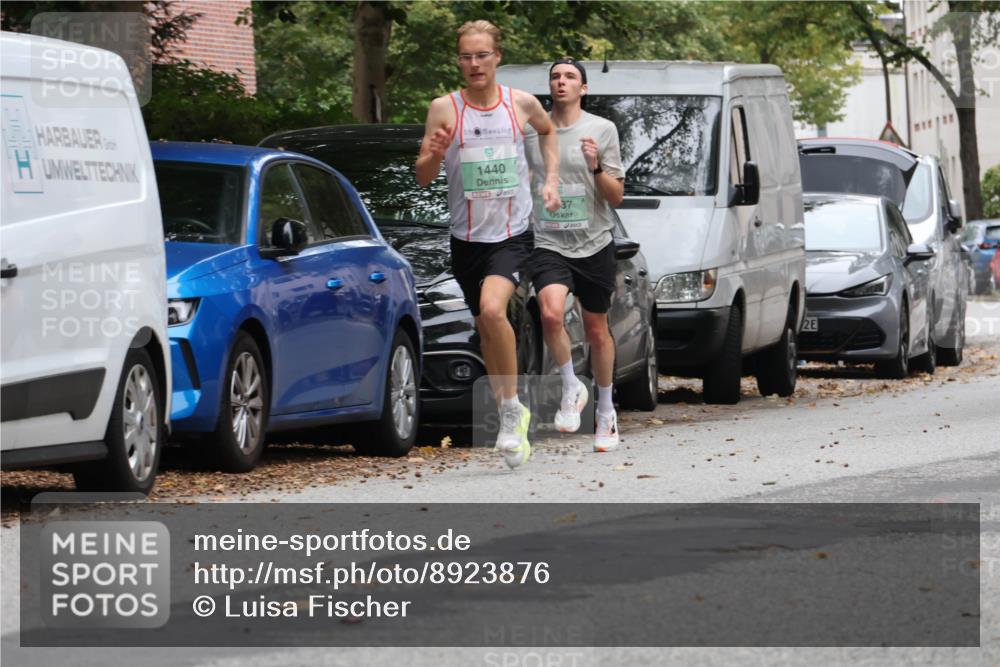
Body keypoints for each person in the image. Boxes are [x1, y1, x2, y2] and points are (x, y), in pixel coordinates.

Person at [415, 20, 561, 468]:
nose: (474, 64)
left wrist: (550, 178)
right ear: (458, 60)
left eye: (482, 55)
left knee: (494, 310)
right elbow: (422, 176)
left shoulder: (520, 103)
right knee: (485, 326)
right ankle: (507, 410)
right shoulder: (444, 108)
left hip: (512, 234)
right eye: (466, 56)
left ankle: (511, 408)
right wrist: (436, 152)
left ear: (497, 57)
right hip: (466, 239)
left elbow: (548, 131)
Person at [524, 57, 625, 452]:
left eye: (569, 77)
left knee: (596, 329)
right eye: (555, 76)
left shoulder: (602, 130)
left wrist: (596, 165)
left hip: (595, 240)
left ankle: (604, 409)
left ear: (584, 88)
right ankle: (571, 388)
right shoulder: (534, 131)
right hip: (548, 241)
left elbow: (616, 196)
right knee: (550, 313)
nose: (561, 81)